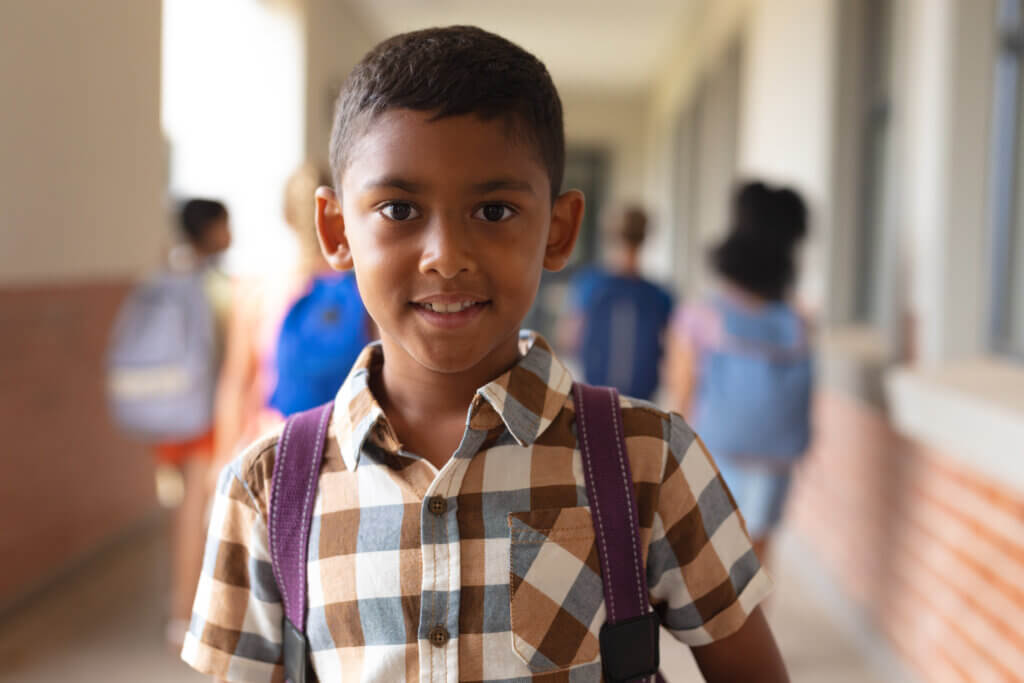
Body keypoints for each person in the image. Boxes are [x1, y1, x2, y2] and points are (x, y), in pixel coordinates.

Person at [182, 26, 787, 682]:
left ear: (558, 232)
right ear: (337, 230)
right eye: (399, 208)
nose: (446, 254)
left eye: (494, 211)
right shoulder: (268, 491)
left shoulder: (648, 462)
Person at [666, 181, 813, 564]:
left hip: (716, 449)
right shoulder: (798, 322)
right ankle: (757, 621)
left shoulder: (701, 315)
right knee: (758, 553)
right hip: (775, 457)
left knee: (711, 555)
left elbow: (682, 391)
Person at [211, 163, 372, 473]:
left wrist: (221, 462)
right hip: (353, 449)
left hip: (279, 448)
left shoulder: (262, 295)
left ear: (286, 217)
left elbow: (235, 384)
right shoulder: (364, 289)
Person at [157, 199, 232, 649]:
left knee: (182, 507)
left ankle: (180, 608)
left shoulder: (167, 274)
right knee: (195, 512)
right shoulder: (212, 284)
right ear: (210, 229)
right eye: (226, 225)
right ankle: (186, 613)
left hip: (171, 408)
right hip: (203, 411)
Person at [560, 205, 674, 400]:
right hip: (641, 401)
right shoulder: (659, 295)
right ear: (646, 237)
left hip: (594, 397)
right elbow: (670, 355)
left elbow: (569, 339)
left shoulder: (589, 285)